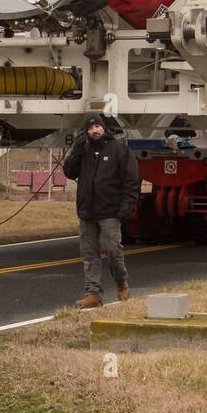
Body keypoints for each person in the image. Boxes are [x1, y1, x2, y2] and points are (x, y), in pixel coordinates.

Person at [63, 112, 140, 308]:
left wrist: (126, 206)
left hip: (110, 211)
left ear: (103, 128)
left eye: (97, 126)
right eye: (89, 128)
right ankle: (93, 293)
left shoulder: (119, 150)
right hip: (87, 211)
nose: (94, 130)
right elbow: (69, 172)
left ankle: (121, 281)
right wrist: (77, 148)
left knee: (113, 250)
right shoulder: (83, 151)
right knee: (89, 254)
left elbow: (131, 181)